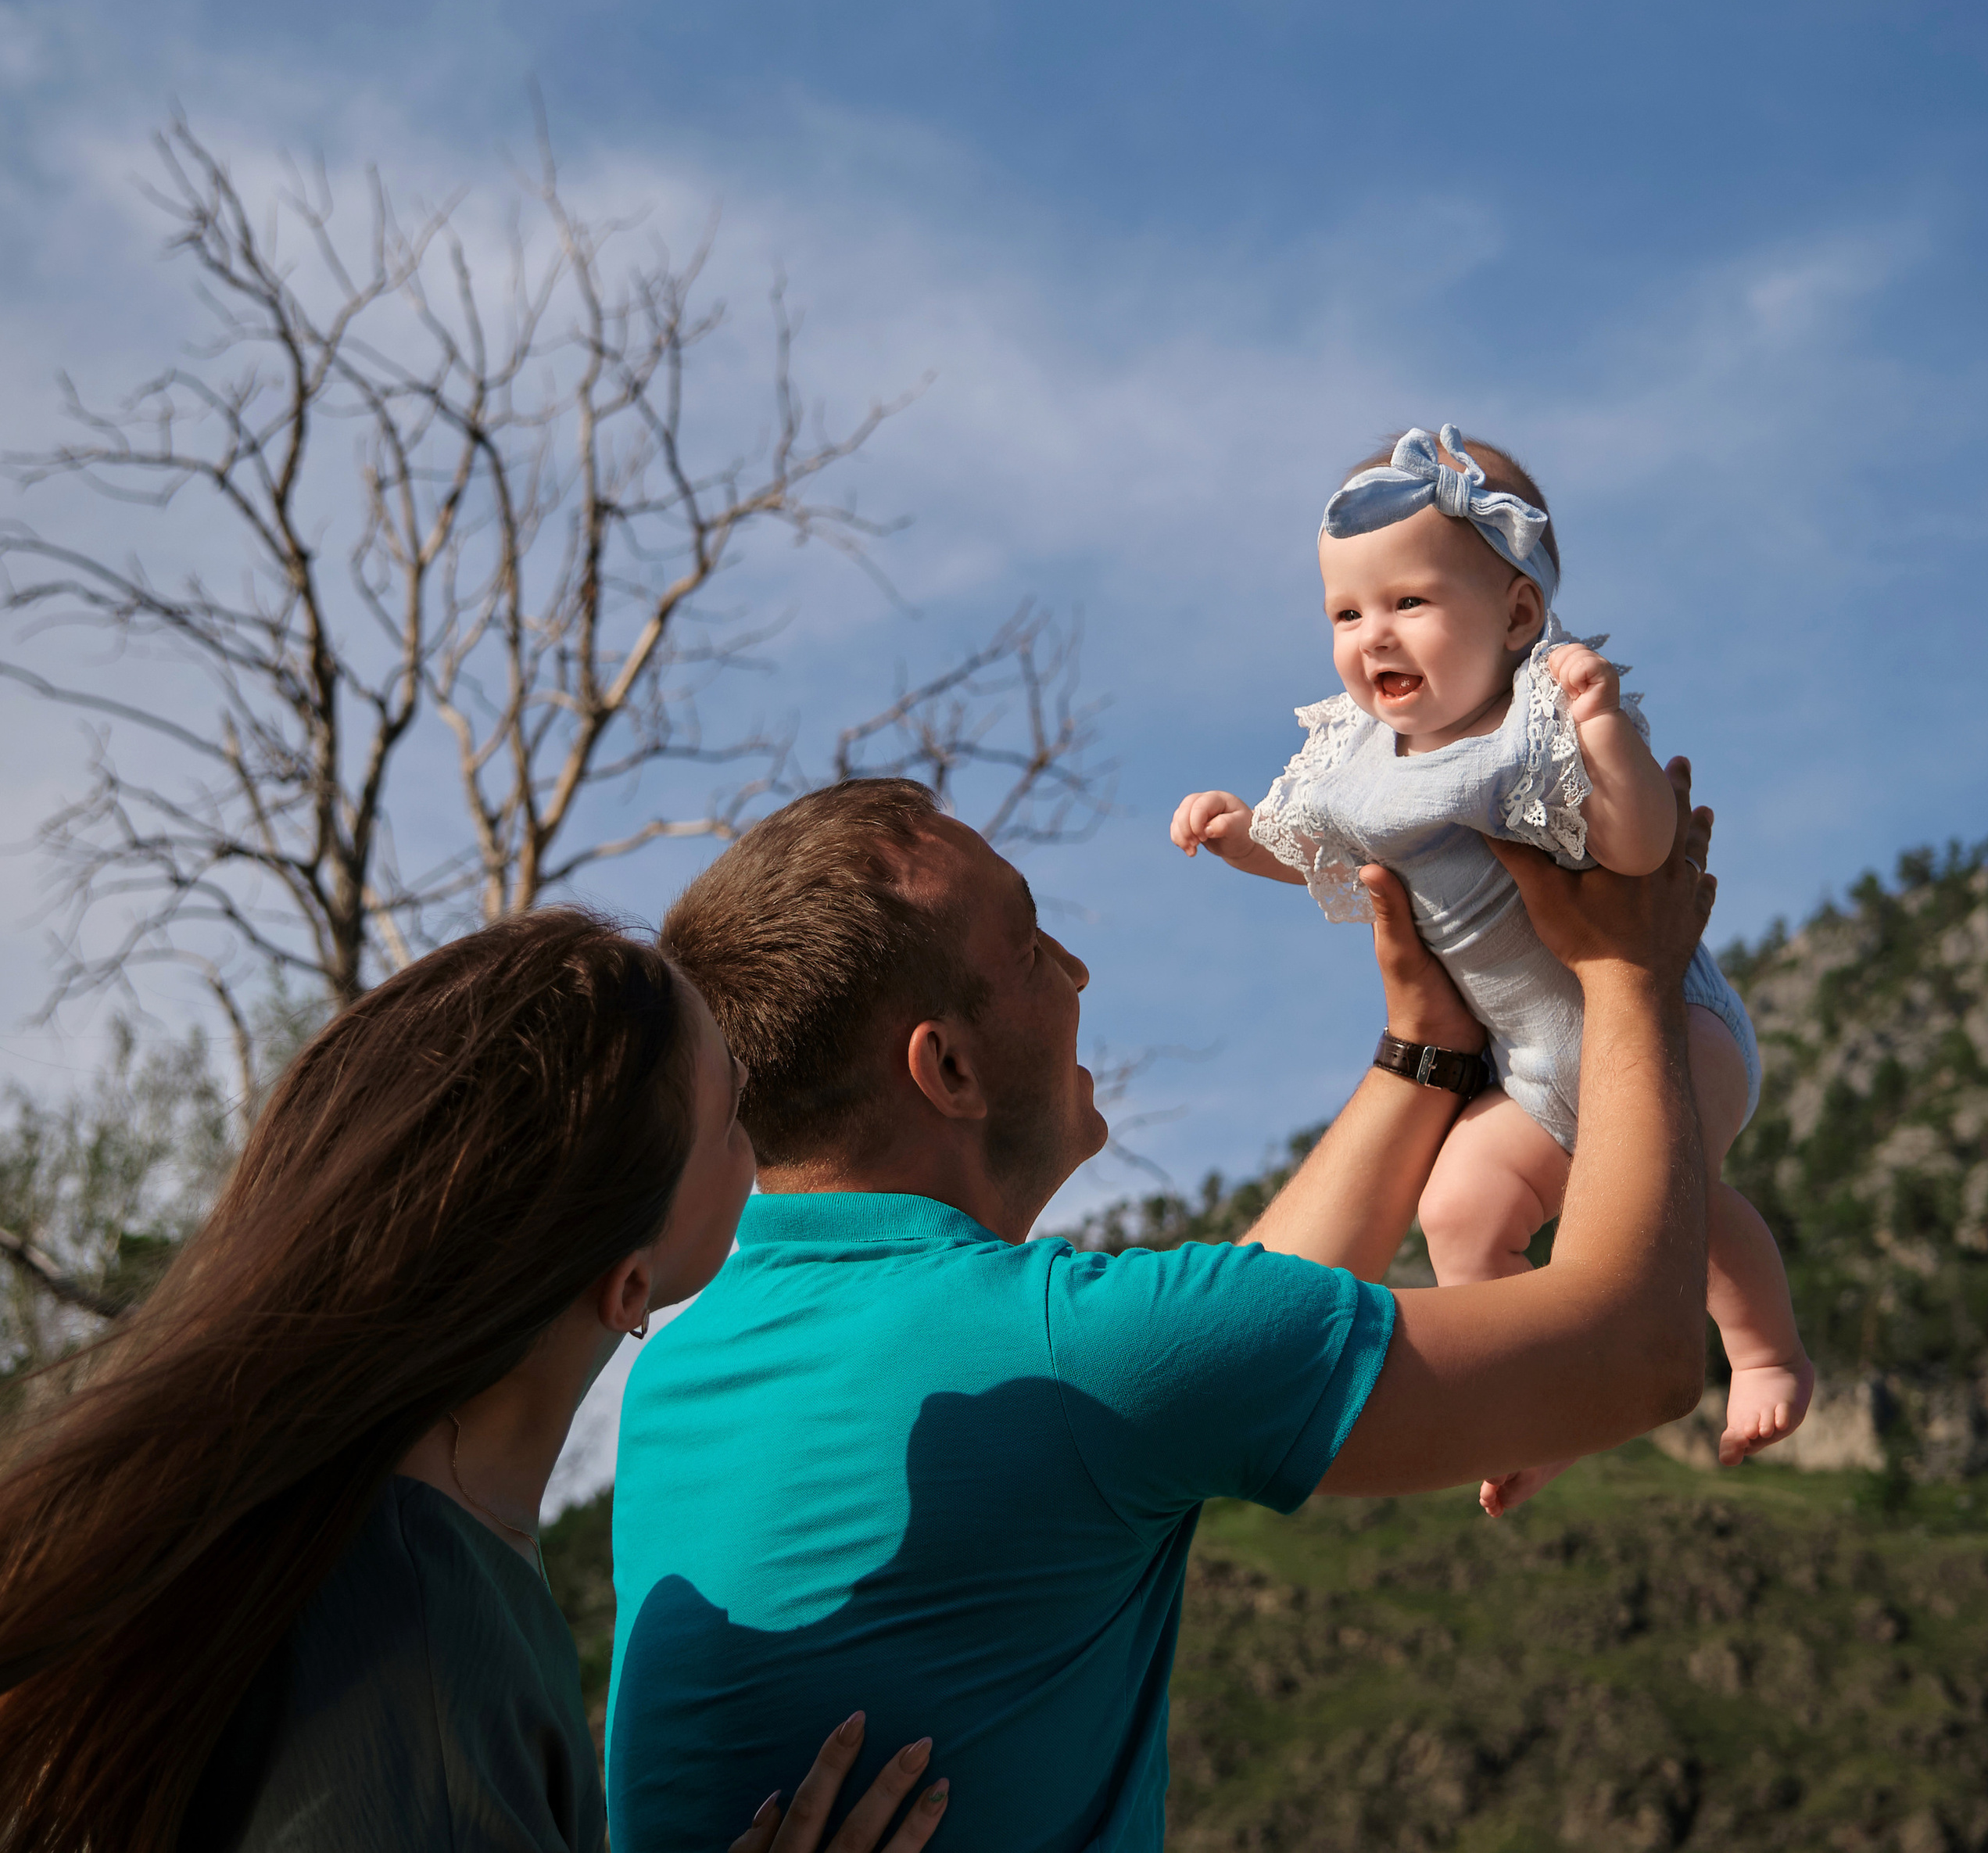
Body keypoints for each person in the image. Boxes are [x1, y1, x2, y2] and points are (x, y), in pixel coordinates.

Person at [608, 764, 1717, 1853]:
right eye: (1031, 943)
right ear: (946, 1068)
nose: (1078, 972)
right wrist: (1626, 969)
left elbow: (1192, 1363)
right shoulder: (1072, 1356)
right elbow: (1639, 1349)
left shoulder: (681, 1375)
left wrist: (1424, 1060)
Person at [0, 910, 947, 1853]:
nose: (754, 1133)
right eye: (732, 1120)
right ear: (625, 1279)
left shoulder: (350, 1525)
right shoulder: (423, 1662)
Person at [1171, 425, 1813, 1509]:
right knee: (1460, 1211)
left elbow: (1642, 848)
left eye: (1409, 603)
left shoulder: (1541, 720)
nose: (1374, 634)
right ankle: (1538, 1397)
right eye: (1346, 613)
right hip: (1526, 1068)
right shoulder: (1354, 765)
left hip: (1661, 1024)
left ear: (1517, 615)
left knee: (1676, 1193)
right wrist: (1242, 837)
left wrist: (1608, 738)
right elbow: (1313, 847)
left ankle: (1766, 1351)